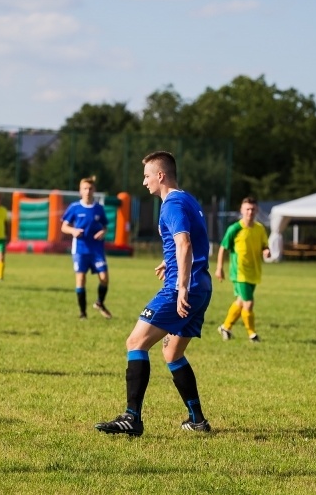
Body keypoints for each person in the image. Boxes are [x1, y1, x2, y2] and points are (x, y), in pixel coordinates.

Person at [95, 151, 213, 436]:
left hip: (182, 287)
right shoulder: (188, 199)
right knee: (172, 352)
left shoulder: (170, 204)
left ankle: (132, 417)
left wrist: (180, 285)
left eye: (147, 175)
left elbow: (184, 242)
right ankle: (197, 420)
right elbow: (192, 239)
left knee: (135, 342)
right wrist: (169, 260)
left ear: (160, 176)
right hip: (202, 286)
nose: (144, 181)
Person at [215, 197, 271, 342]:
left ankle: (225, 327)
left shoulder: (259, 228)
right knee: (249, 303)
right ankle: (252, 334)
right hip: (240, 272)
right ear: (241, 210)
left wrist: (266, 251)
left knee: (240, 302)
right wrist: (219, 268)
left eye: (252, 209)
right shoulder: (235, 229)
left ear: (257, 210)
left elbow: (265, 245)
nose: (250, 212)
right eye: (247, 209)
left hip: (254, 271)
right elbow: (223, 248)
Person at [61, 176, 112, 319]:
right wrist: (73, 231)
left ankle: (100, 303)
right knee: (81, 279)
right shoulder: (74, 207)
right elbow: (64, 227)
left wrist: (103, 232)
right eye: (85, 188)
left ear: (94, 190)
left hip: (96, 249)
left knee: (104, 278)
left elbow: (105, 227)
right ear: (80, 191)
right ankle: (83, 313)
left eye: (90, 188)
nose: (88, 191)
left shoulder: (98, 208)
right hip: (80, 249)